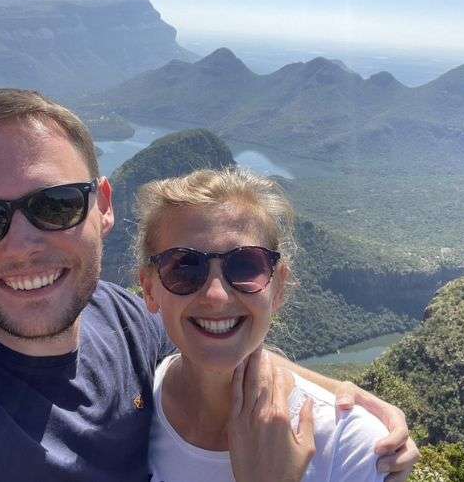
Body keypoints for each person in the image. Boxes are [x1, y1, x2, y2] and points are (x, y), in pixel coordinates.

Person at [0, 89, 418, 481]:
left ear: (102, 206)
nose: (23, 243)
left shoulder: (125, 326)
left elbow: (214, 327)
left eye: (54, 205)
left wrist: (344, 394)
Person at [136, 168, 390, 481]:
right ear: (149, 289)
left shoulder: (350, 444)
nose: (216, 295)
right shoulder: (128, 412)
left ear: (278, 286)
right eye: (186, 267)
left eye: (244, 265)